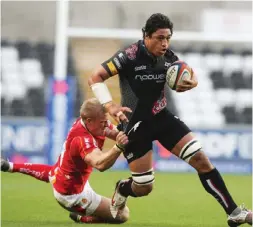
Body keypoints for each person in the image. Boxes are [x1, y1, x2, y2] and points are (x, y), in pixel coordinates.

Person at [88, 13, 252, 226]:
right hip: (134, 125)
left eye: (168, 38)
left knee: (202, 160)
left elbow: (188, 75)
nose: (164, 43)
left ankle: (234, 212)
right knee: (144, 186)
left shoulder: (169, 58)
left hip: (162, 118)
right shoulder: (128, 56)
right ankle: (123, 188)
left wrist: (191, 82)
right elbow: (95, 76)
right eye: (159, 38)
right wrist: (110, 105)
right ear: (146, 36)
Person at [1, 98, 130, 224]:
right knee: (122, 215)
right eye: (102, 122)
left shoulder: (88, 122)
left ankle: (81, 216)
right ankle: (117, 192)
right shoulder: (81, 140)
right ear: (89, 121)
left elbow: (50, 173)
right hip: (74, 196)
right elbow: (100, 164)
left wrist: (11, 166)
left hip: (69, 181)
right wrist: (118, 147)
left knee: (56, 174)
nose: (105, 124)